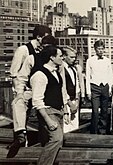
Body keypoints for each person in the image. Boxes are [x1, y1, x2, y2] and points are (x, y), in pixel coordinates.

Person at [7, 26, 52, 158]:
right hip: (25, 88)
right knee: (19, 106)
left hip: (40, 88)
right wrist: (19, 92)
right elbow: (15, 73)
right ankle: (20, 137)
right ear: (39, 37)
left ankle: (37, 140)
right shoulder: (24, 50)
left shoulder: (46, 51)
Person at [30, 45, 67, 165]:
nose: (63, 58)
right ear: (52, 57)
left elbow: (60, 93)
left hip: (58, 111)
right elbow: (37, 101)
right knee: (56, 139)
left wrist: (64, 110)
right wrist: (48, 120)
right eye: (60, 56)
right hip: (49, 112)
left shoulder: (56, 73)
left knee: (54, 142)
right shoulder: (40, 75)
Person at [86, 40, 113, 134]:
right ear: (95, 49)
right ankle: (93, 131)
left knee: (104, 111)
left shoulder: (107, 61)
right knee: (95, 111)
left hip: (105, 87)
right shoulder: (90, 61)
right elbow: (87, 76)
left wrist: (110, 88)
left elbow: (110, 75)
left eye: (102, 49)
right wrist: (88, 92)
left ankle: (102, 131)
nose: (101, 51)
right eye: (99, 49)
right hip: (94, 87)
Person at [62, 46, 80, 132]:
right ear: (64, 56)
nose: (73, 59)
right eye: (71, 57)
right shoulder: (61, 69)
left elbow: (77, 86)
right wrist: (70, 104)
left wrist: (76, 101)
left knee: (75, 127)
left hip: (74, 102)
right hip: (66, 103)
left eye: (74, 57)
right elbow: (63, 88)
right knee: (66, 127)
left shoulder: (73, 69)